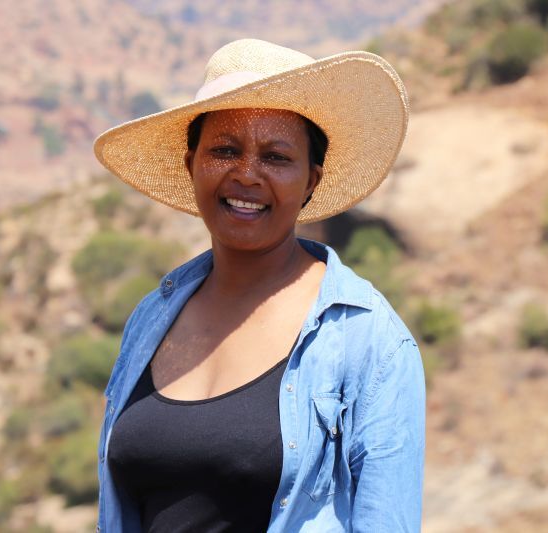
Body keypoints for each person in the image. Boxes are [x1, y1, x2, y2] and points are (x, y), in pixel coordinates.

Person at [93, 38, 426, 532]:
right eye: (224, 150)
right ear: (191, 164)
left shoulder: (367, 341)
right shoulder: (153, 318)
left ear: (311, 180)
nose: (247, 175)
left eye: (276, 157)